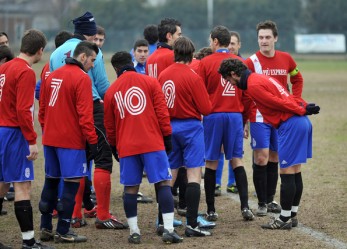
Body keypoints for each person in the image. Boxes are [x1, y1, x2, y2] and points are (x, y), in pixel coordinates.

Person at [218, 58, 319, 229]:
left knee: (287, 171)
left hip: (292, 124)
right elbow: (287, 95)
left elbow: (278, 102)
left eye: (229, 80)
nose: (231, 84)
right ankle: (292, 215)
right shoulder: (261, 77)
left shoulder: (253, 85)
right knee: (295, 171)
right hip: (301, 122)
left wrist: (302, 108)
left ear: (234, 74)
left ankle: (284, 219)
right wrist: (303, 106)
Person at [49, 11, 127, 230]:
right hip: (91, 108)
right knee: (102, 160)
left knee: (78, 161)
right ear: (89, 35)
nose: (96, 41)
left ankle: (75, 215)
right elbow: (102, 86)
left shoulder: (55, 54)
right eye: (94, 37)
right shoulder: (93, 52)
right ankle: (102, 214)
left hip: (67, 111)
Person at [104, 51, 183, 244]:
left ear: (116, 69)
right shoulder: (150, 82)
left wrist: (114, 147)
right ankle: (169, 229)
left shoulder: (111, 91)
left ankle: (134, 231)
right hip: (152, 142)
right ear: (131, 62)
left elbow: (110, 126)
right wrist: (167, 137)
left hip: (127, 146)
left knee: (130, 188)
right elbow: (162, 113)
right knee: (163, 183)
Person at [38, 41, 99, 243]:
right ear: (82, 57)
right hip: (70, 140)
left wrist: (48, 129)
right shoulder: (82, 78)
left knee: (51, 181)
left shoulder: (52, 74)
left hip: (50, 139)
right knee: (72, 183)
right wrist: (93, 140)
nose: (93, 65)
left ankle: (45, 227)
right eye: (92, 60)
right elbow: (85, 115)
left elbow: (43, 110)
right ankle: (64, 230)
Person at [244, 20, 304, 216]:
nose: (264, 41)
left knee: (275, 157)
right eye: (261, 37)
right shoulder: (251, 62)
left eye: (268, 37)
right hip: (259, 116)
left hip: (282, 117)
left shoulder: (286, 59)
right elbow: (243, 92)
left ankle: (270, 200)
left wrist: (295, 99)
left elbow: (297, 77)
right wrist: (245, 118)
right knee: (261, 157)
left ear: (275, 38)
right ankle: (261, 202)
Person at [0, 29, 51, 249]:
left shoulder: (3, 68)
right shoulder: (26, 71)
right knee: (23, 186)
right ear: (40, 50)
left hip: (1, 130)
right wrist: (31, 140)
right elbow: (24, 109)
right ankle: (29, 242)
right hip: (14, 133)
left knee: (2, 185)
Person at [197, 25, 254, 222]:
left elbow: (199, 93)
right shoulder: (240, 62)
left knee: (211, 162)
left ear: (214, 41)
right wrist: (244, 118)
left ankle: (212, 210)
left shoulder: (204, 63)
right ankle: (245, 207)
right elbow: (247, 95)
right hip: (234, 116)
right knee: (236, 160)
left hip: (213, 116)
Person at [158, 36, 213, 237]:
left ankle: (162, 222)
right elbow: (206, 108)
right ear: (191, 55)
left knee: (169, 175)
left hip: (169, 128)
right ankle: (192, 224)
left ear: (175, 53)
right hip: (190, 128)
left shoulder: (163, 75)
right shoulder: (193, 76)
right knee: (193, 175)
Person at [145, 17, 184, 229]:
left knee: (164, 168)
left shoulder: (151, 57)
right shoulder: (170, 56)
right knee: (172, 169)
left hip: (155, 117)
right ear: (169, 36)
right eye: (178, 34)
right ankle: (163, 217)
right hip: (169, 116)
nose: (180, 38)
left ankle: (163, 215)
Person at [215, 31, 243, 197]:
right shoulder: (216, 65)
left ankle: (233, 183)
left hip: (236, 115)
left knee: (235, 150)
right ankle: (216, 183)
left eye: (234, 43)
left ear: (239, 45)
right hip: (220, 114)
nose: (231, 46)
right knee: (217, 149)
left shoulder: (243, 65)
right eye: (229, 43)